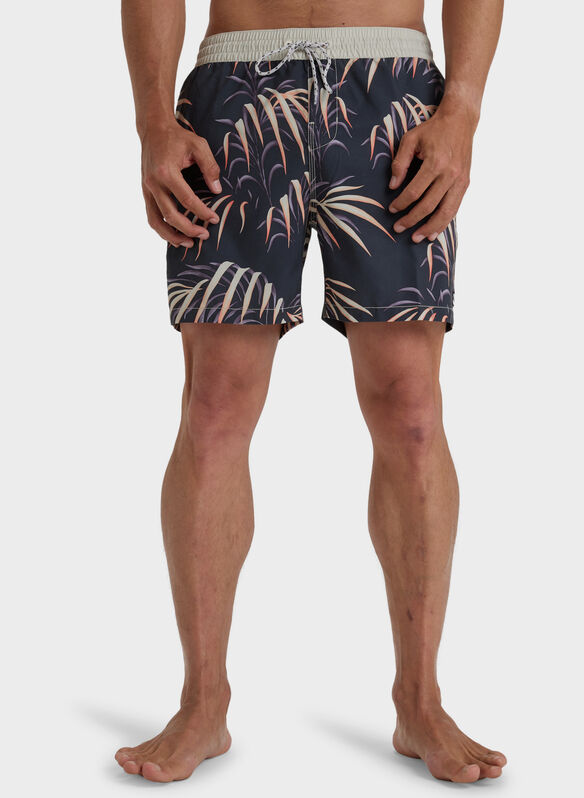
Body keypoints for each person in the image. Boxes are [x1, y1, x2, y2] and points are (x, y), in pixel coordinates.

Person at [117, 0, 506, 784]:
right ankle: (203, 701)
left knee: (412, 410)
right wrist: (153, 120)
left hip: (391, 90)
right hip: (237, 87)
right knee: (213, 407)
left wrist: (462, 107)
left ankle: (420, 700)